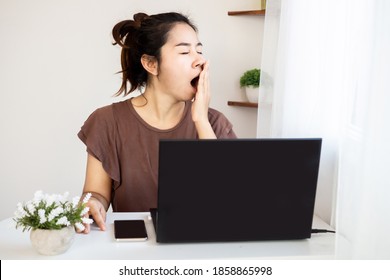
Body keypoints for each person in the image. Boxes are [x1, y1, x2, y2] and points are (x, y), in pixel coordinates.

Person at [77, 12, 237, 233]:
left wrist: (200, 120)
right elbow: (97, 194)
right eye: (184, 51)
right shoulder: (107, 122)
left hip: (200, 247)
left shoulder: (214, 123)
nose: (200, 60)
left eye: (199, 50)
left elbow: (228, 201)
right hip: (133, 250)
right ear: (151, 64)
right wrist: (92, 203)